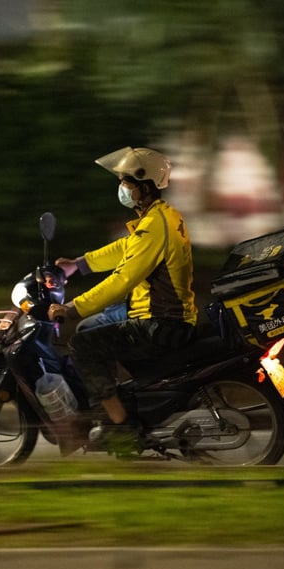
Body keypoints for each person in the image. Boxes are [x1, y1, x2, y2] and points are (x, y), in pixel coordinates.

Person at [48, 146, 197, 444]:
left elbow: (123, 279)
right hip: (155, 312)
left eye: (126, 182)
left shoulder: (156, 226)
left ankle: (121, 425)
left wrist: (74, 307)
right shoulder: (160, 217)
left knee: (82, 343)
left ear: (145, 186)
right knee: (91, 328)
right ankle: (114, 398)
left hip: (160, 322)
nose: (122, 188)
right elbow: (125, 249)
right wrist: (78, 265)